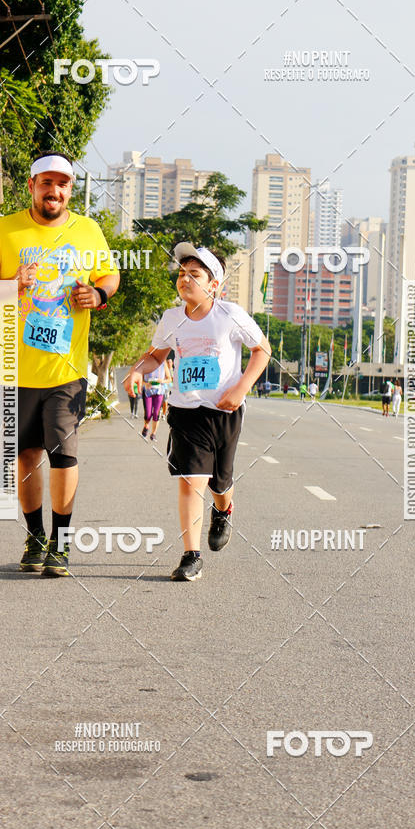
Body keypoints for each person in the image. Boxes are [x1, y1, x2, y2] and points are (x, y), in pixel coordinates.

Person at [0, 151, 119, 577]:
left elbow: (110, 275)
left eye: (63, 184)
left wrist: (99, 295)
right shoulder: (5, 229)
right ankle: (35, 538)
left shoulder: (87, 231)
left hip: (65, 372)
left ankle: (62, 543)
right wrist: (10, 286)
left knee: (63, 455)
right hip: (13, 367)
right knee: (25, 457)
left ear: (71, 189)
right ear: (31, 186)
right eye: (46, 183)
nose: (55, 191)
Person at [125, 242, 271, 581]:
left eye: (195, 274)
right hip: (185, 410)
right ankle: (191, 555)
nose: (185, 279)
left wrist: (241, 387)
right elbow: (156, 356)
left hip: (224, 411)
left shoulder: (230, 315)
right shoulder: (172, 319)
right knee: (191, 481)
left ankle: (223, 510)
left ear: (213, 285)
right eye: (181, 273)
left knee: (220, 482)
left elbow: (261, 350)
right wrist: (136, 370)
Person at [141, 359, 172, 441]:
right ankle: (146, 426)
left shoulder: (163, 363)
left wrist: (162, 381)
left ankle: (153, 433)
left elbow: (169, 379)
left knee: (156, 413)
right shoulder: (146, 362)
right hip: (148, 392)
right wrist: (146, 384)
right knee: (148, 414)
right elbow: (140, 379)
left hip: (159, 391)